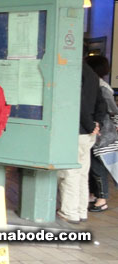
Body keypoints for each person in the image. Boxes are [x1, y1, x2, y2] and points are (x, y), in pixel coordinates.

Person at [56, 60, 106, 223]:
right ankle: (81, 210)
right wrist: (97, 124)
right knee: (82, 173)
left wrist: (89, 125)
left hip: (76, 131)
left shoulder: (73, 71)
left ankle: (69, 212)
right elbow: (102, 102)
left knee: (70, 173)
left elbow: (79, 103)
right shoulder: (91, 73)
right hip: (88, 134)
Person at [85, 55, 116, 212]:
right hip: (98, 132)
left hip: (104, 136)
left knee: (98, 167)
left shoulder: (102, 87)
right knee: (92, 166)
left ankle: (102, 200)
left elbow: (112, 111)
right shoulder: (96, 84)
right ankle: (94, 195)